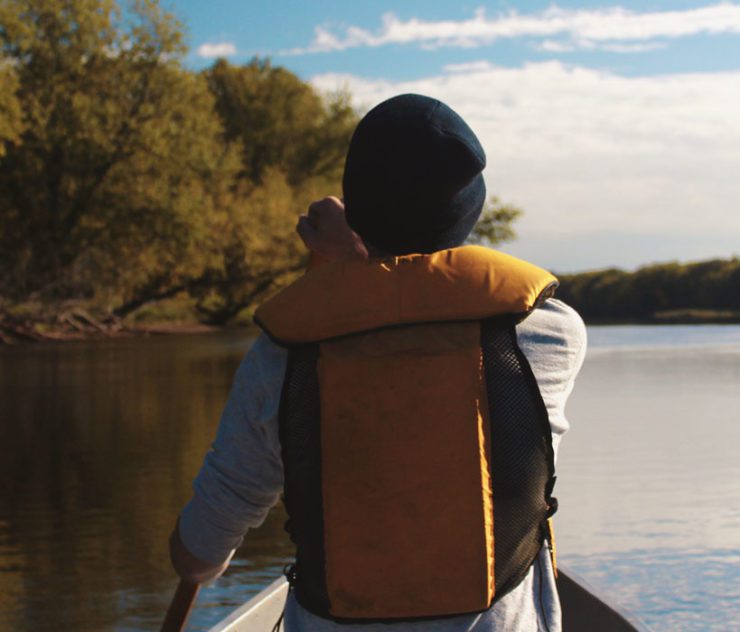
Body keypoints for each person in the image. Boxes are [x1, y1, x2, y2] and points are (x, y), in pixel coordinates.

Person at [169, 93, 587, 631]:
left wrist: (344, 269)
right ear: (469, 210)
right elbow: (415, 316)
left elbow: (198, 556)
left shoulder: (283, 356)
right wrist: (358, 264)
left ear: (356, 206)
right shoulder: (549, 335)